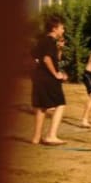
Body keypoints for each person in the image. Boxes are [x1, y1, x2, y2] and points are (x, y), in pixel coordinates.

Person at [31, 16, 69, 145]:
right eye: (62, 28)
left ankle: (36, 138)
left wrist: (59, 48)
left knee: (41, 107)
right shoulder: (50, 41)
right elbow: (47, 59)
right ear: (55, 28)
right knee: (60, 104)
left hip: (38, 77)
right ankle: (51, 136)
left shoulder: (42, 41)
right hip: (48, 78)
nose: (63, 30)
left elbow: (38, 57)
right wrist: (56, 74)